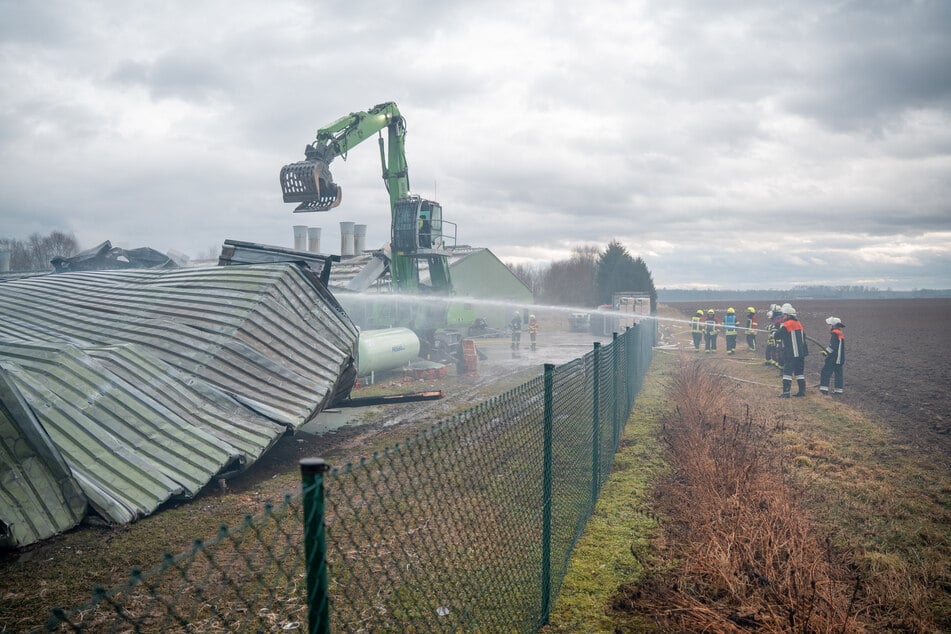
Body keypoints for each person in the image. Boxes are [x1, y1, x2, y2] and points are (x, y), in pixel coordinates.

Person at [775, 303, 808, 397]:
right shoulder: (799, 324)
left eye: (784, 315)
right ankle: (802, 392)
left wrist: (773, 332)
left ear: (788, 315)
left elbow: (777, 335)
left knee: (787, 372)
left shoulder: (787, 324)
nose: (783, 316)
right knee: (799, 373)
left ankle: (786, 393)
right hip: (800, 354)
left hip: (791, 354)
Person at [819, 317, 845, 395]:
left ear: (833, 325)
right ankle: (838, 391)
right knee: (838, 374)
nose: (828, 326)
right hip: (840, 358)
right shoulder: (839, 332)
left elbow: (833, 346)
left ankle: (823, 390)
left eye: (829, 325)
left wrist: (825, 352)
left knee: (825, 372)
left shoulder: (835, 333)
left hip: (833, 358)